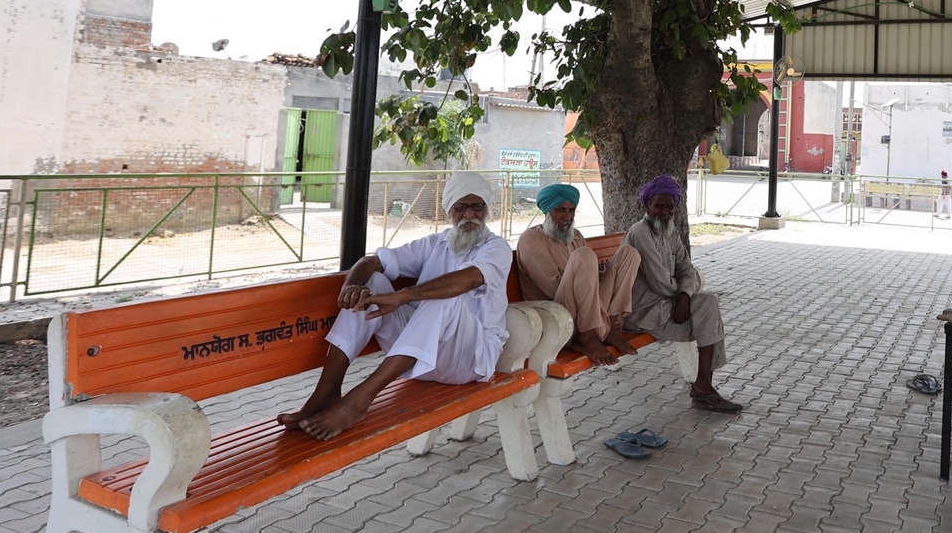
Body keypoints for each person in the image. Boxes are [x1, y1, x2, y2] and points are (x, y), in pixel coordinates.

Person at [277, 171, 512, 440]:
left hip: (469, 360)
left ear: (486, 210)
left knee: (446, 297)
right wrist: (352, 285)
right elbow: (371, 262)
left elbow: (470, 278)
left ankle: (360, 399)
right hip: (417, 360)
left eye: (477, 206)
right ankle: (326, 391)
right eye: (461, 206)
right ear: (449, 210)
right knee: (373, 283)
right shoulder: (435, 243)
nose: (469, 214)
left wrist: (404, 296)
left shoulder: (496, 247)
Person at [621, 174, 744, 413]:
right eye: (659, 206)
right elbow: (658, 282)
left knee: (708, 305)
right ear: (648, 206)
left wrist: (685, 296)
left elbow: (688, 270)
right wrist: (682, 294)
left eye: (670, 207)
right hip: (644, 312)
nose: (665, 212)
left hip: (669, 305)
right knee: (708, 320)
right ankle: (703, 389)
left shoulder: (670, 232)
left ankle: (703, 386)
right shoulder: (640, 232)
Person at [516, 183, 643, 366]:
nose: (567, 217)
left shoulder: (575, 236)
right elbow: (553, 289)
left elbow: (587, 283)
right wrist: (589, 282)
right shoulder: (531, 240)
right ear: (547, 211)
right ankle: (589, 336)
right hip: (556, 314)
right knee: (584, 256)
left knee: (629, 254)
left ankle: (611, 324)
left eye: (571, 210)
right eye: (560, 210)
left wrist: (595, 282)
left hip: (587, 310)